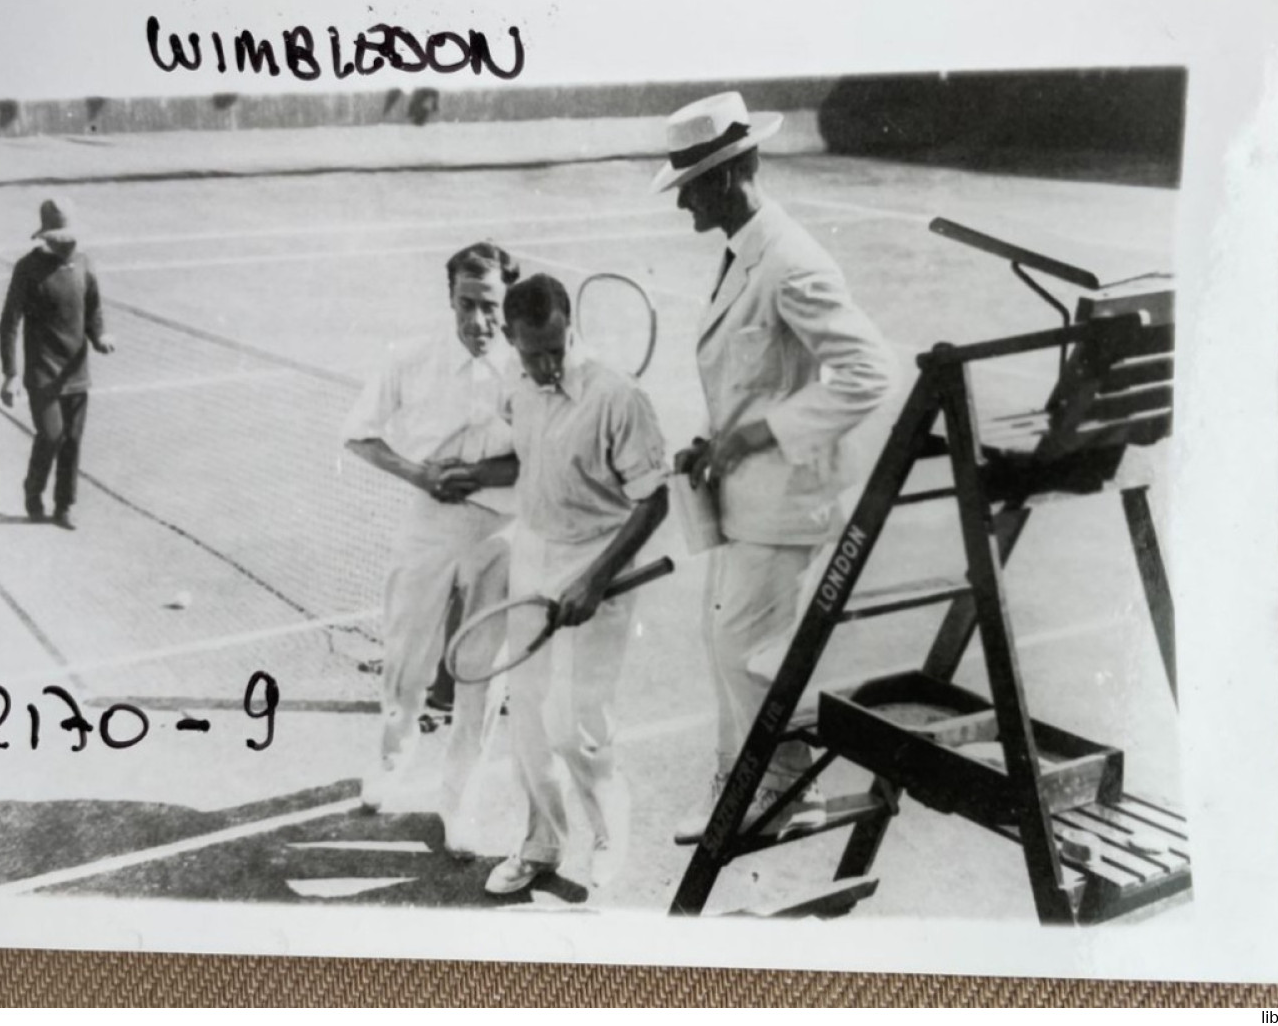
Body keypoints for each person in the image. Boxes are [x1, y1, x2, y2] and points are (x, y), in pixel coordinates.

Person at [650, 92, 895, 844]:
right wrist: (709, 437)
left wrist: (759, 434)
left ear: (723, 179)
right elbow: (743, 378)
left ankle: (786, 794)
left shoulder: (789, 262)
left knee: (747, 655)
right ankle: (740, 790)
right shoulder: (739, 256)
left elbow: (867, 372)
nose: (682, 202)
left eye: (688, 185)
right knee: (720, 643)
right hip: (739, 499)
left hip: (785, 502)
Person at [481, 273, 670, 896]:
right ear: (510, 339)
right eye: (530, 352)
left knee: (575, 726)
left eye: (555, 349)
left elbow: (654, 500)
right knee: (528, 721)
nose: (544, 364)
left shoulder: (620, 397)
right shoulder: (517, 384)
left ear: (571, 327)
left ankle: (609, 834)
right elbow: (531, 458)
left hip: (599, 563)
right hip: (533, 553)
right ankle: (541, 843)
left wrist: (593, 580)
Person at [340, 242, 522, 852]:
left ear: (508, 302)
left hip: (501, 531)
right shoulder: (409, 358)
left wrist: (483, 477)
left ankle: (459, 801)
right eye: (467, 305)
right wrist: (422, 476)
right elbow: (359, 436)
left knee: (482, 671)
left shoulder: (529, 368)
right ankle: (391, 765)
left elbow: (548, 454)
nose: (479, 322)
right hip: (428, 523)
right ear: (450, 297)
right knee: (406, 657)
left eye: (491, 307)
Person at [0, 197, 116, 530]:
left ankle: (64, 505)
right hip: (43, 373)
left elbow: (92, 309)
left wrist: (100, 336)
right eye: (63, 238)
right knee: (51, 435)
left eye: (73, 237)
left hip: (76, 372)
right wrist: (10, 374)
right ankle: (33, 492)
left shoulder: (84, 264)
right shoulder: (28, 269)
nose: (70, 244)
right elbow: (9, 323)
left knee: (72, 441)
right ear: (48, 238)